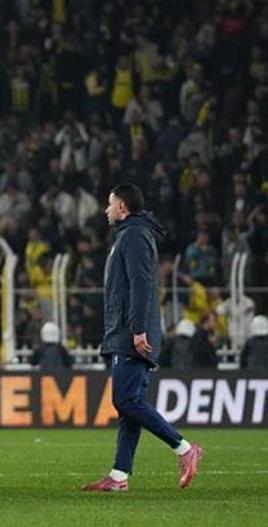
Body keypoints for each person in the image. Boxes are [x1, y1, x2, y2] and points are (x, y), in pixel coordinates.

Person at [83, 184, 203, 493]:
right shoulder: (130, 234)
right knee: (129, 407)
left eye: (110, 204)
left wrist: (137, 329)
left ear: (122, 206)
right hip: (127, 330)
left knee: (125, 400)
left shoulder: (134, 235)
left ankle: (184, 448)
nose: (106, 209)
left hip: (131, 333)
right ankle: (119, 476)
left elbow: (141, 283)